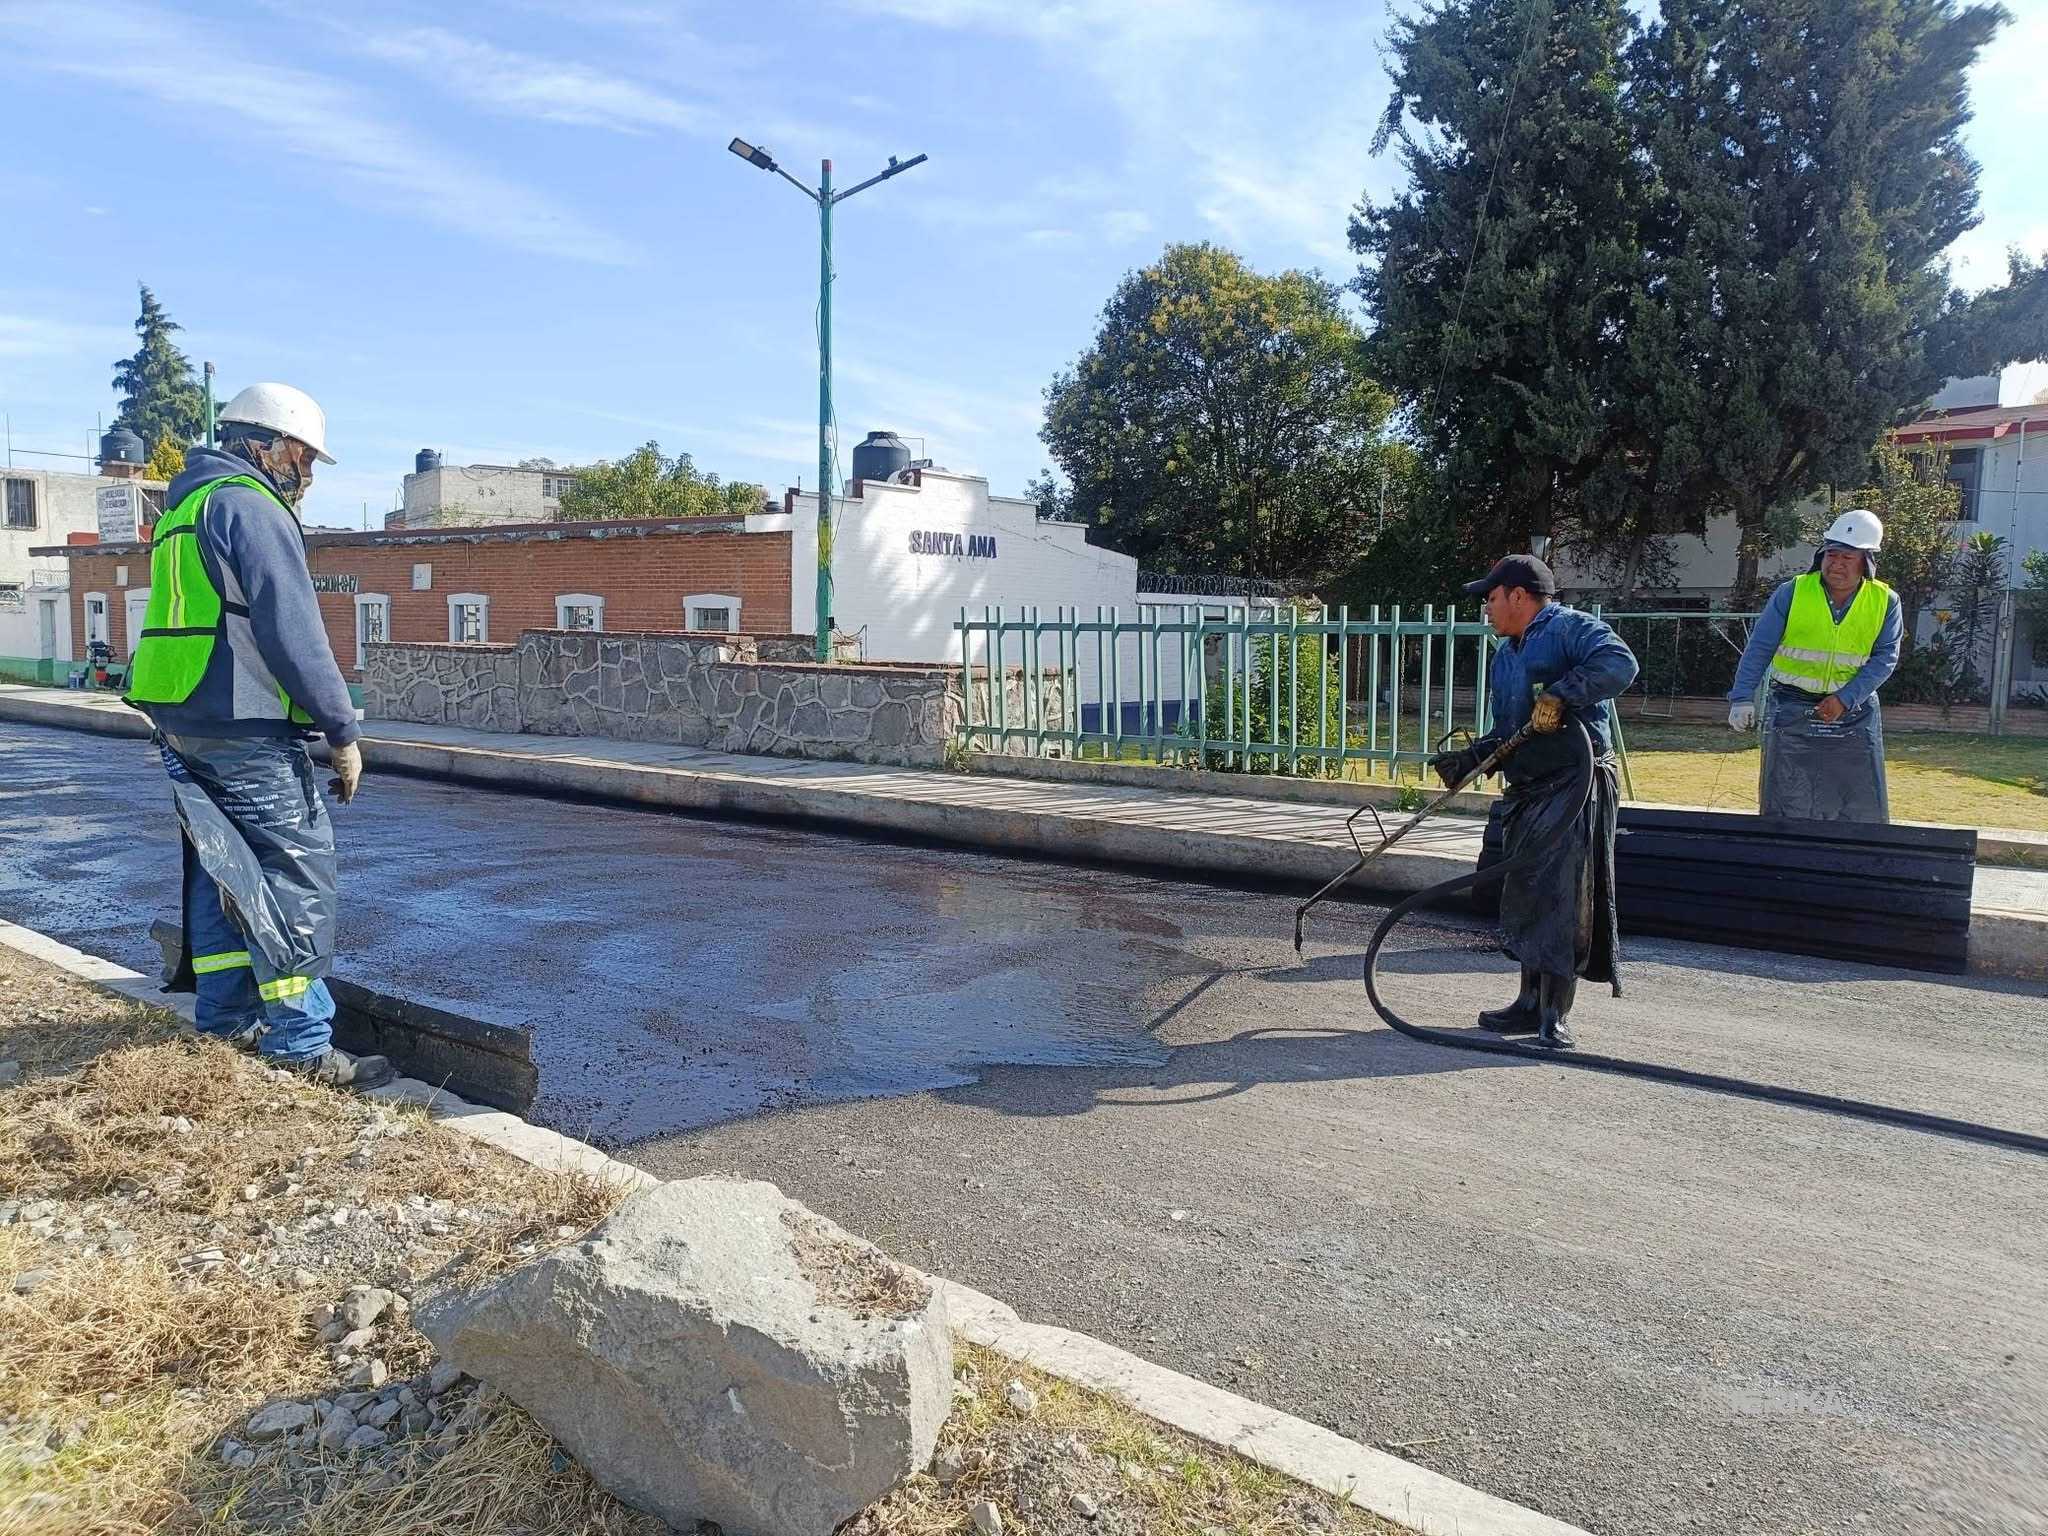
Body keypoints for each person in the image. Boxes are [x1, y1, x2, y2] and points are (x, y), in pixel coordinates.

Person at [124, 382, 390, 1088]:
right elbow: (292, 633)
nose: (305, 474)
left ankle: (225, 1020)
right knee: (293, 875)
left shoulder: (186, 506)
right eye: (303, 457)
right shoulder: (250, 507)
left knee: (223, 871)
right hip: (244, 726)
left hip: (183, 720)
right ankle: (302, 1046)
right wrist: (342, 729)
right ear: (265, 446)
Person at [1429, 555, 1639, 1049]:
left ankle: (1554, 1012)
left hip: (1575, 785)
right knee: (1526, 893)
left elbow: (1620, 664)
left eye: (1492, 596)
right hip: (1529, 789)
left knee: (1564, 897)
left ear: (1519, 596)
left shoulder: (1571, 630)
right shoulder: (1507, 654)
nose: (1486, 606)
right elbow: (1513, 731)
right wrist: (1476, 756)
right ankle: (1527, 1002)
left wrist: (1564, 694)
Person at [1725, 509, 1900, 823]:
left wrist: (1845, 700)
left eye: (1848, 557)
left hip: (1853, 713)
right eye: (1832, 554)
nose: (1837, 564)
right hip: (1791, 706)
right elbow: (1759, 649)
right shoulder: (1792, 593)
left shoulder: (1885, 601)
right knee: (1787, 800)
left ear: (1867, 562)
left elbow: (1885, 658)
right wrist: (1741, 698)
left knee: (1856, 803)